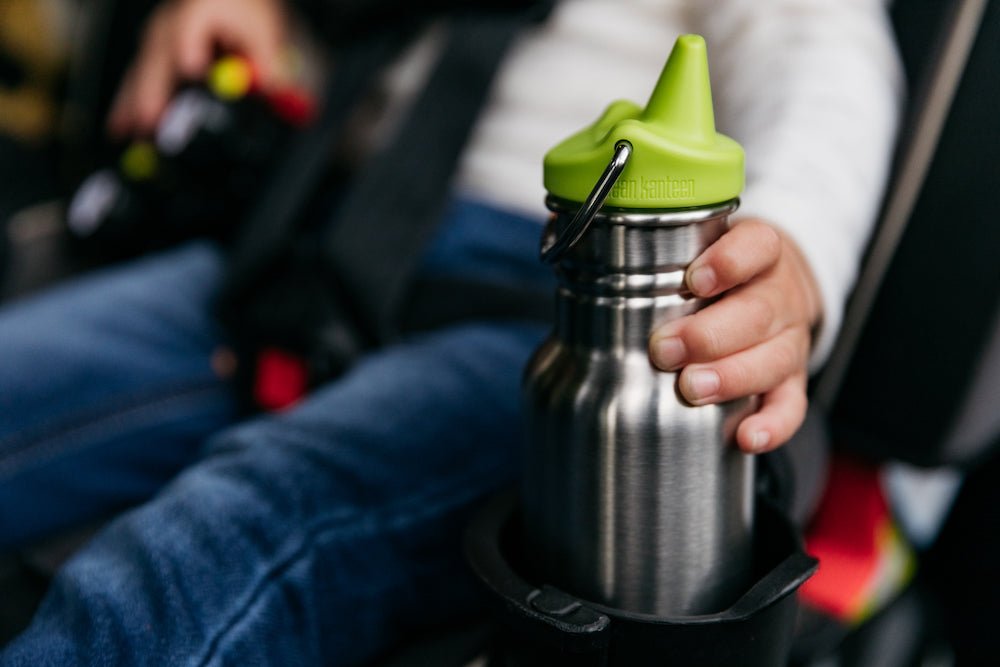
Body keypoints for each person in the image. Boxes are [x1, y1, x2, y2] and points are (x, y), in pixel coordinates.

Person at [0, 0, 901, 663]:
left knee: (199, 550)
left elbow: (820, 55)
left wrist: (790, 252)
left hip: (554, 280)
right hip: (304, 230)